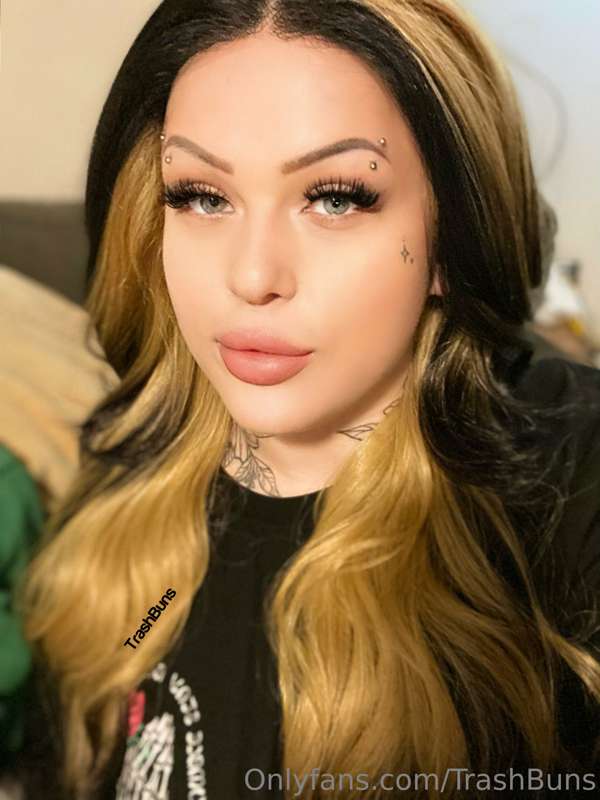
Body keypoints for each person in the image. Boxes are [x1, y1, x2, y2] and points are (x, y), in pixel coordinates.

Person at [17, 0, 600, 798]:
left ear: (451, 234)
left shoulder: (569, 488)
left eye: (335, 197)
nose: (252, 276)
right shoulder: (128, 472)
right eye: (201, 195)